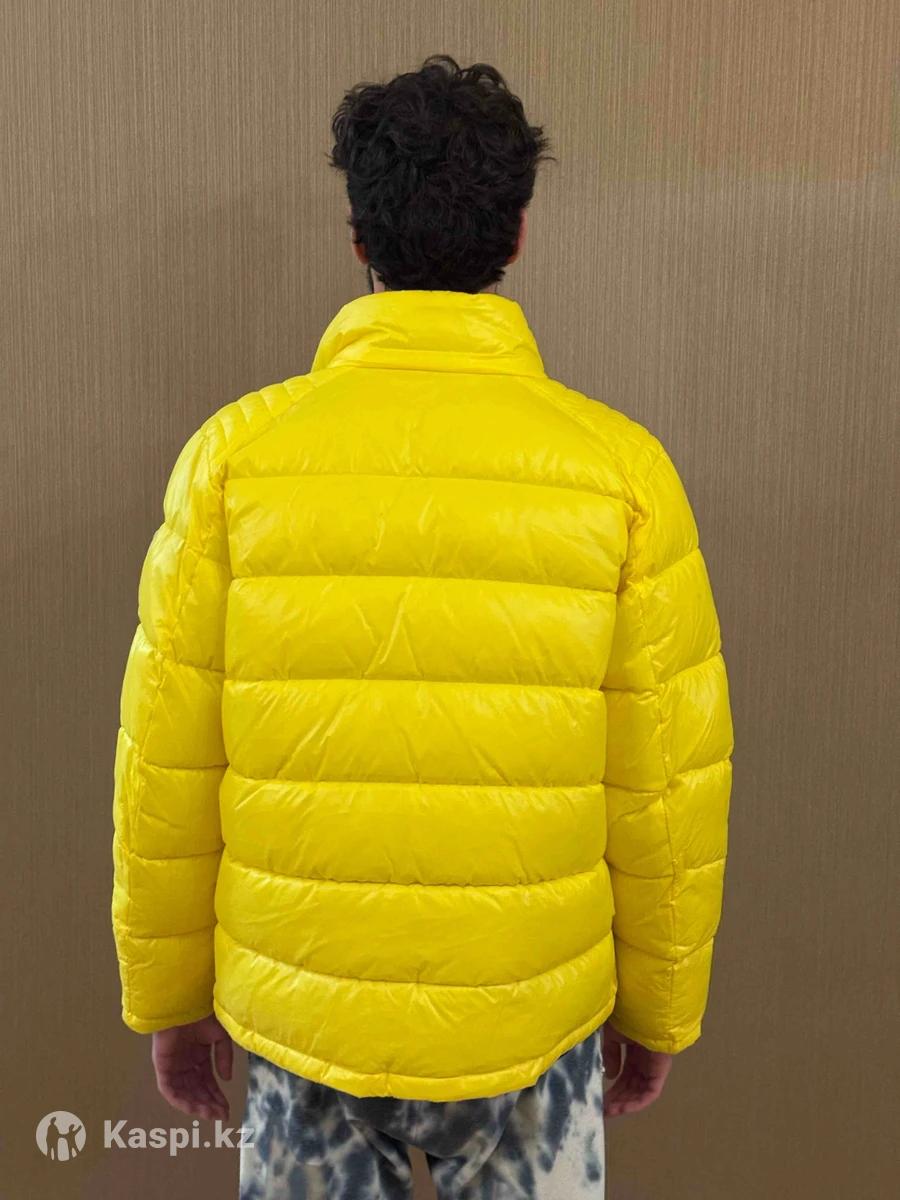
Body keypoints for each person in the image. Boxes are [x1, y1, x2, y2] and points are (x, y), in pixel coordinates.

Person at [111, 54, 734, 1199]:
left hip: (302, 1011)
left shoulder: (233, 463)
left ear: (358, 235)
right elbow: (666, 783)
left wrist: (169, 999)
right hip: (530, 1015)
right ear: (518, 235)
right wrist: (660, 1006)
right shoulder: (621, 474)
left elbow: (166, 766)